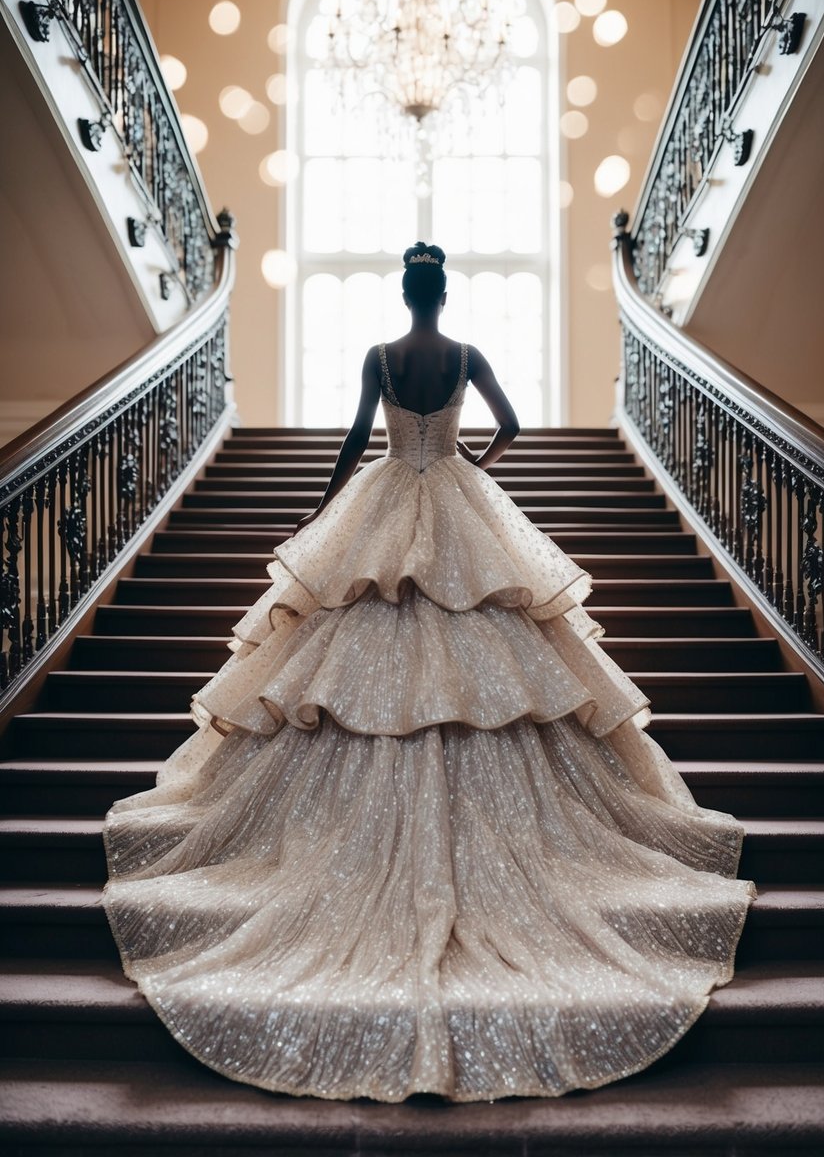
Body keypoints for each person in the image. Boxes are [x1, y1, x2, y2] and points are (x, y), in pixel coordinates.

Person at [102, 241, 757, 1103]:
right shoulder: (465, 355)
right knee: (488, 641)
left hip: (384, 495)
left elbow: (351, 441)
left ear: (405, 292)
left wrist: (325, 511)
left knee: (352, 647)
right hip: (454, 493)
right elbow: (512, 425)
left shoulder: (380, 357)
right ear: (440, 293)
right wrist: (472, 464)